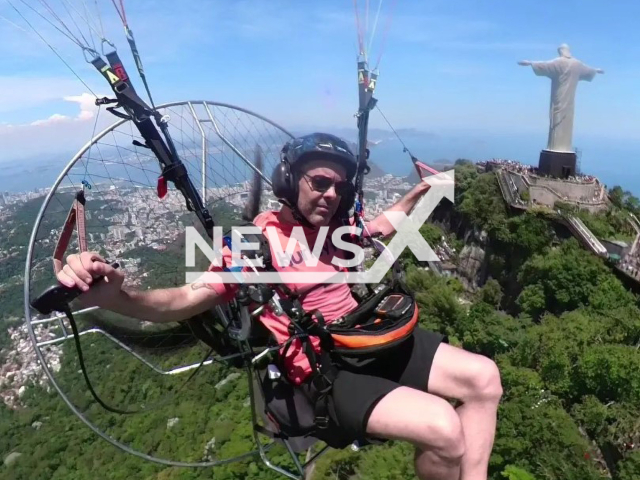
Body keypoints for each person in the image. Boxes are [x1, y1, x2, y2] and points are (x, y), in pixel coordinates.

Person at [57, 133, 502, 480]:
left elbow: (382, 226)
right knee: (444, 428)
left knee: (485, 378)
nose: (330, 194)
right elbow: (186, 299)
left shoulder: (336, 229)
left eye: (338, 187)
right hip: (327, 369)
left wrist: (420, 192)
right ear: (290, 182)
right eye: (319, 182)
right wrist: (119, 296)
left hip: (367, 335)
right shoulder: (256, 244)